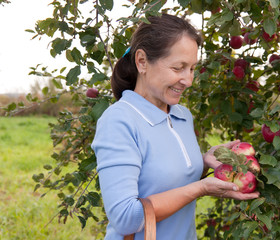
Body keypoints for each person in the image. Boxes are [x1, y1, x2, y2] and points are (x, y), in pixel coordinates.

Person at [91, 13, 259, 240]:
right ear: (142, 61)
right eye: (178, 68)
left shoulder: (182, 116)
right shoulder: (120, 121)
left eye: (191, 69)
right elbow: (124, 218)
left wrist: (204, 162)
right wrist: (200, 189)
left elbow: (165, 181)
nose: (188, 80)